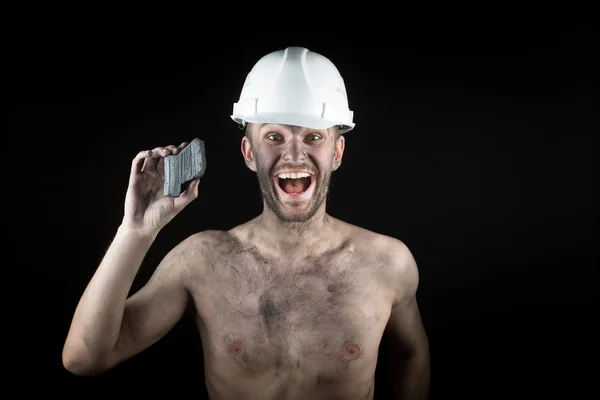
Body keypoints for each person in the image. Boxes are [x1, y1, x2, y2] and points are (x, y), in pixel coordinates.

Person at [62, 46, 430, 400]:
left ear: (336, 152)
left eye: (313, 137)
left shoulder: (388, 263)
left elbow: (410, 356)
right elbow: (85, 358)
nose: (294, 154)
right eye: (274, 136)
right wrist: (136, 230)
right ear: (250, 152)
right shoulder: (202, 260)